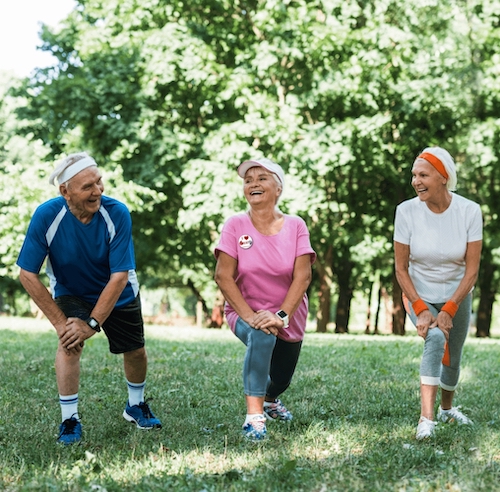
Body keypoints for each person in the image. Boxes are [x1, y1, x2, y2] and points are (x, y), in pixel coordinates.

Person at [17, 152, 161, 445]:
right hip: (73, 292)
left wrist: (93, 322)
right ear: (65, 192)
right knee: (69, 343)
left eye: (99, 182)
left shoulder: (117, 213)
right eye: (87, 187)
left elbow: (120, 276)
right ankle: (69, 419)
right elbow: (27, 274)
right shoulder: (47, 216)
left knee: (135, 350)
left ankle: (135, 405)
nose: (97, 191)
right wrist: (61, 324)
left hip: (119, 292)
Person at [214, 157, 316, 441]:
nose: (253, 184)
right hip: (245, 311)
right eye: (248, 180)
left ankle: (270, 399)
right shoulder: (235, 225)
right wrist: (251, 317)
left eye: (261, 178)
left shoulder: (296, 225)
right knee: (262, 336)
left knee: (282, 378)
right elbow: (223, 276)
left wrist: (281, 316)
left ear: (278, 188)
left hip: (289, 315)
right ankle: (254, 417)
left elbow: (302, 277)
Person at [394, 146, 482, 440]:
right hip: (417, 291)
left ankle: (446, 410)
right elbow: (401, 269)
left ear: (443, 177)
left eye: (423, 175)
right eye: (414, 175)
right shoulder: (406, 211)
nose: (416, 181)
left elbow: (471, 271)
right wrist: (421, 309)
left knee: (452, 358)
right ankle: (426, 420)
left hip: (457, 294)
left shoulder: (469, 211)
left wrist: (450, 309)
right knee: (433, 339)